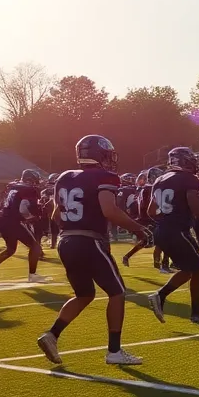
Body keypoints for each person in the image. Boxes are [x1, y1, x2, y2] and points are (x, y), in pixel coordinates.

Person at [36, 135, 152, 366]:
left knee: (84, 294)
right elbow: (109, 210)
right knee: (117, 293)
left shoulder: (65, 177)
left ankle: (52, 335)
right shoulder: (105, 177)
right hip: (89, 242)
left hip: (66, 241)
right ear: (100, 154)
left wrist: (73, 229)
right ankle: (114, 351)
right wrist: (139, 228)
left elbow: (56, 215)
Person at [146, 147, 199, 325]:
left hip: (162, 231)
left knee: (189, 269)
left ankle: (191, 309)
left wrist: (168, 218)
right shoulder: (188, 179)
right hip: (178, 230)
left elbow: (150, 211)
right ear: (185, 161)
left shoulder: (160, 179)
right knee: (196, 268)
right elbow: (197, 210)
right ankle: (189, 309)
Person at [0, 168, 46, 283]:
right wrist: (30, 217)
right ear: (30, 179)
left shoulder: (14, 188)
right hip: (13, 222)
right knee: (35, 247)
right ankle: (32, 275)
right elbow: (23, 207)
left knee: (11, 249)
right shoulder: (26, 190)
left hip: (3, 222)